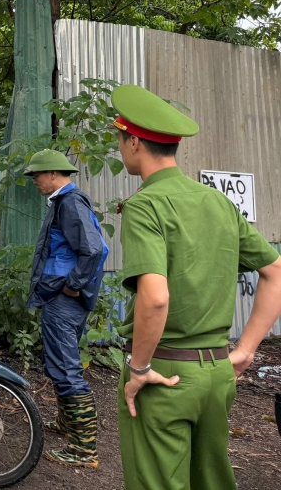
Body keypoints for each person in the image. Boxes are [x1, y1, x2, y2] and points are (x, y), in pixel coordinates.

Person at [111, 84, 281, 490]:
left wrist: (139, 369)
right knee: (213, 480)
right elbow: (275, 270)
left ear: (133, 142)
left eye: (119, 140)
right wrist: (245, 351)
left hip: (165, 371)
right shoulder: (218, 202)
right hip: (218, 372)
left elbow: (154, 298)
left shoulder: (145, 205)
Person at [24, 149, 108, 467]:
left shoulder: (70, 203)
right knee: (59, 363)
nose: (34, 180)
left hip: (63, 299)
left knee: (67, 369)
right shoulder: (63, 202)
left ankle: (84, 450)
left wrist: (73, 285)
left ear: (54, 174)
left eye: (37, 174)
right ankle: (66, 424)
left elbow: (93, 249)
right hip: (60, 298)